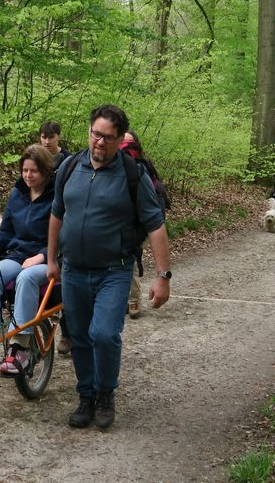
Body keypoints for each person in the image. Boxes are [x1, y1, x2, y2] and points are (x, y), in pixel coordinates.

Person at [47, 104, 172, 430]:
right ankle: (86, 395)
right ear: (89, 132)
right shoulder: (70, 167)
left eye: (108, 138)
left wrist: (163, 276)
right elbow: (56, 214)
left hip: (113, 271)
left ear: (119, 140)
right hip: (73, 270)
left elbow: (156, 225)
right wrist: (50, 260)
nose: (100, 142)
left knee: (103, 334)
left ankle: (106, 393)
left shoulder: (133, 174)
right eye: (96, 134)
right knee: (79, 336)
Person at [0, 144, 54, 375]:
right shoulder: (17, 194)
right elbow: (6, 233)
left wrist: (42, 255)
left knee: (26, 277)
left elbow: (63, 236)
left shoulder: (56, 197)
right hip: (18, 254)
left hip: (48, 257)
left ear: (45, 171)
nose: (28, 175)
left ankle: (19, 347)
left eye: (34, 171)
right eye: (25, 170)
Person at [118, 129, 169, 320]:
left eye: (130, 145)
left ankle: (133, 300)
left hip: (142, 227)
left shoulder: (142, 170)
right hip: (122, 227)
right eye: (122, 145)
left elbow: (156, 205)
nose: (126, 150)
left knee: (127, 259)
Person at [39, 121, 73, 354]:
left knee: (65, 284)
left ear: (58, 137)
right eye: (43, 136)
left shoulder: (69, 162)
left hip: (63, 223)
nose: (47, 141)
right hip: (40, 222)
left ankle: (68, 334)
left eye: (50, 137)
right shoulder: (37, 159)